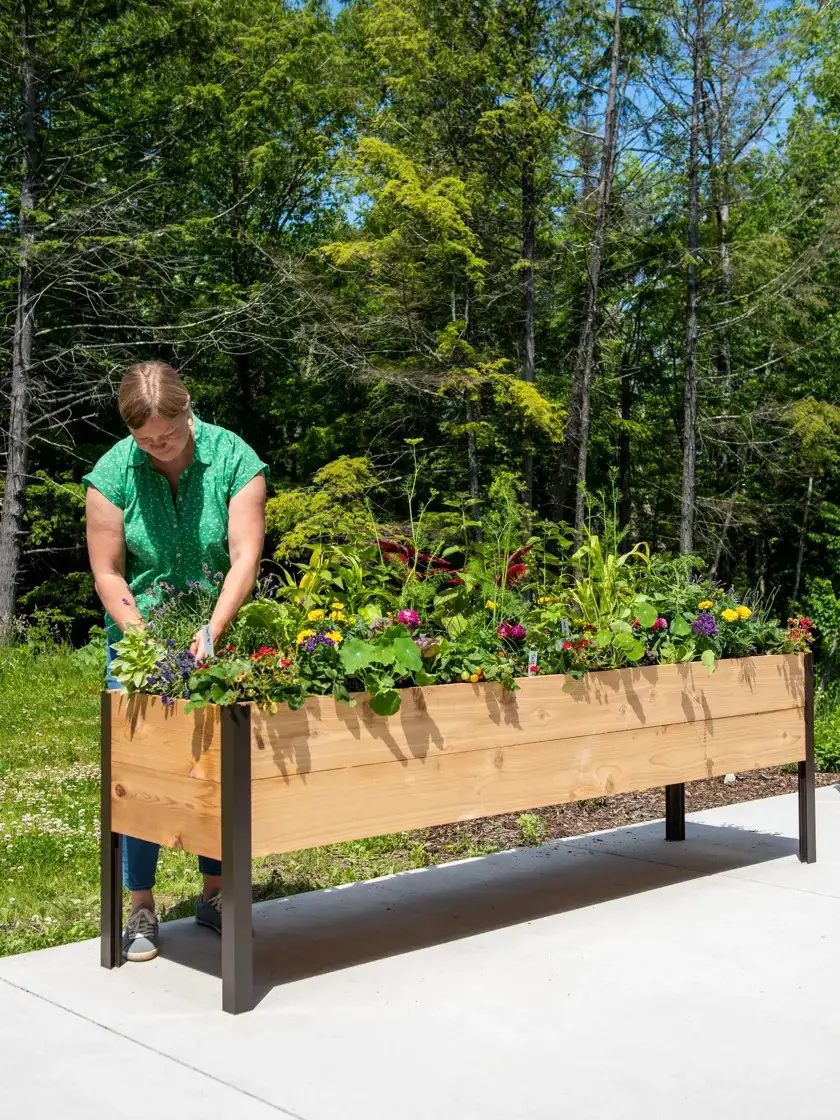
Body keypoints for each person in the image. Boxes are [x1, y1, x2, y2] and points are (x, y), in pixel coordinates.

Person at [84, 360, 267, 962]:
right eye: (146, 439)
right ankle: (141, 904)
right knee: (143, 774)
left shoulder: (234, 457)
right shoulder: (113, 471)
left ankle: (215, 894)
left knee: (214, 767)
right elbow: (108, 570)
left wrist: (212, 629)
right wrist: (142, 641)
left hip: (217, 625)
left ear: (189, 410)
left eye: (169, 433)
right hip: (140, 637)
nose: (159, 446)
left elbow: (244, 554)